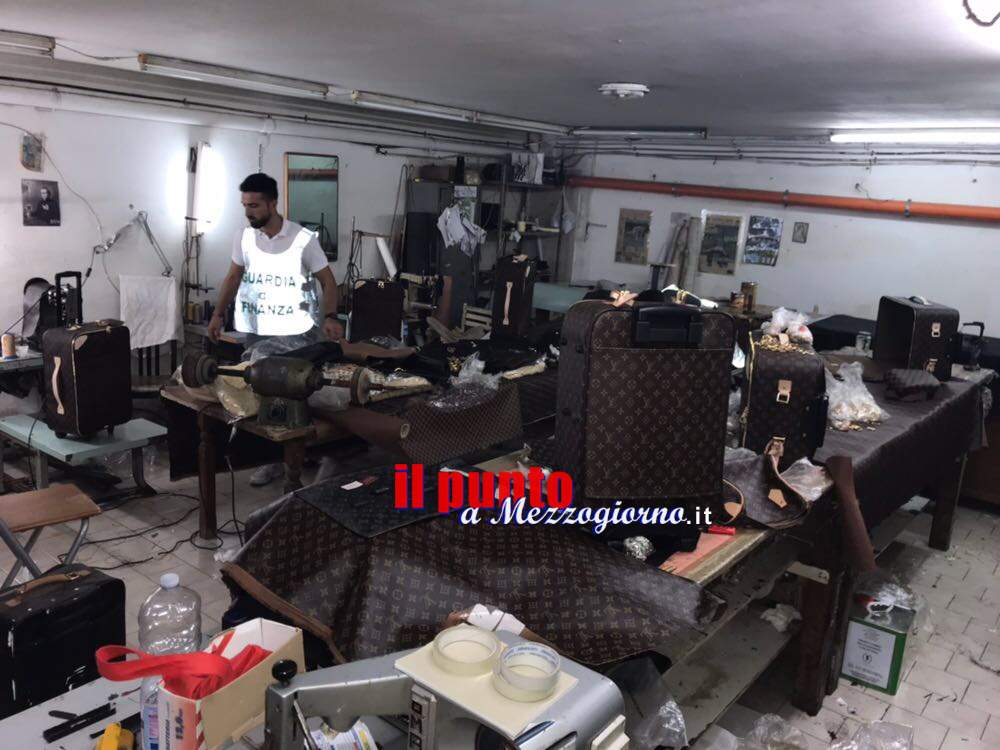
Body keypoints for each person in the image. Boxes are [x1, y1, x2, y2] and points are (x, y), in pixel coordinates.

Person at [207, 172, 343, 486]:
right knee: (263, 396)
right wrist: (217, 314)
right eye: (245, 205)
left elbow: (328, 281)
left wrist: (331, 316)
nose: (248, 212)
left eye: (254, 205)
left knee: (296, 394)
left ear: (272, 203)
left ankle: (302, 456)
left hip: (296, 333)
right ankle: (273, 461)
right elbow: (233, 277)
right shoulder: (244, 237)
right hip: (259, 331)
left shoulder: (302, 239)